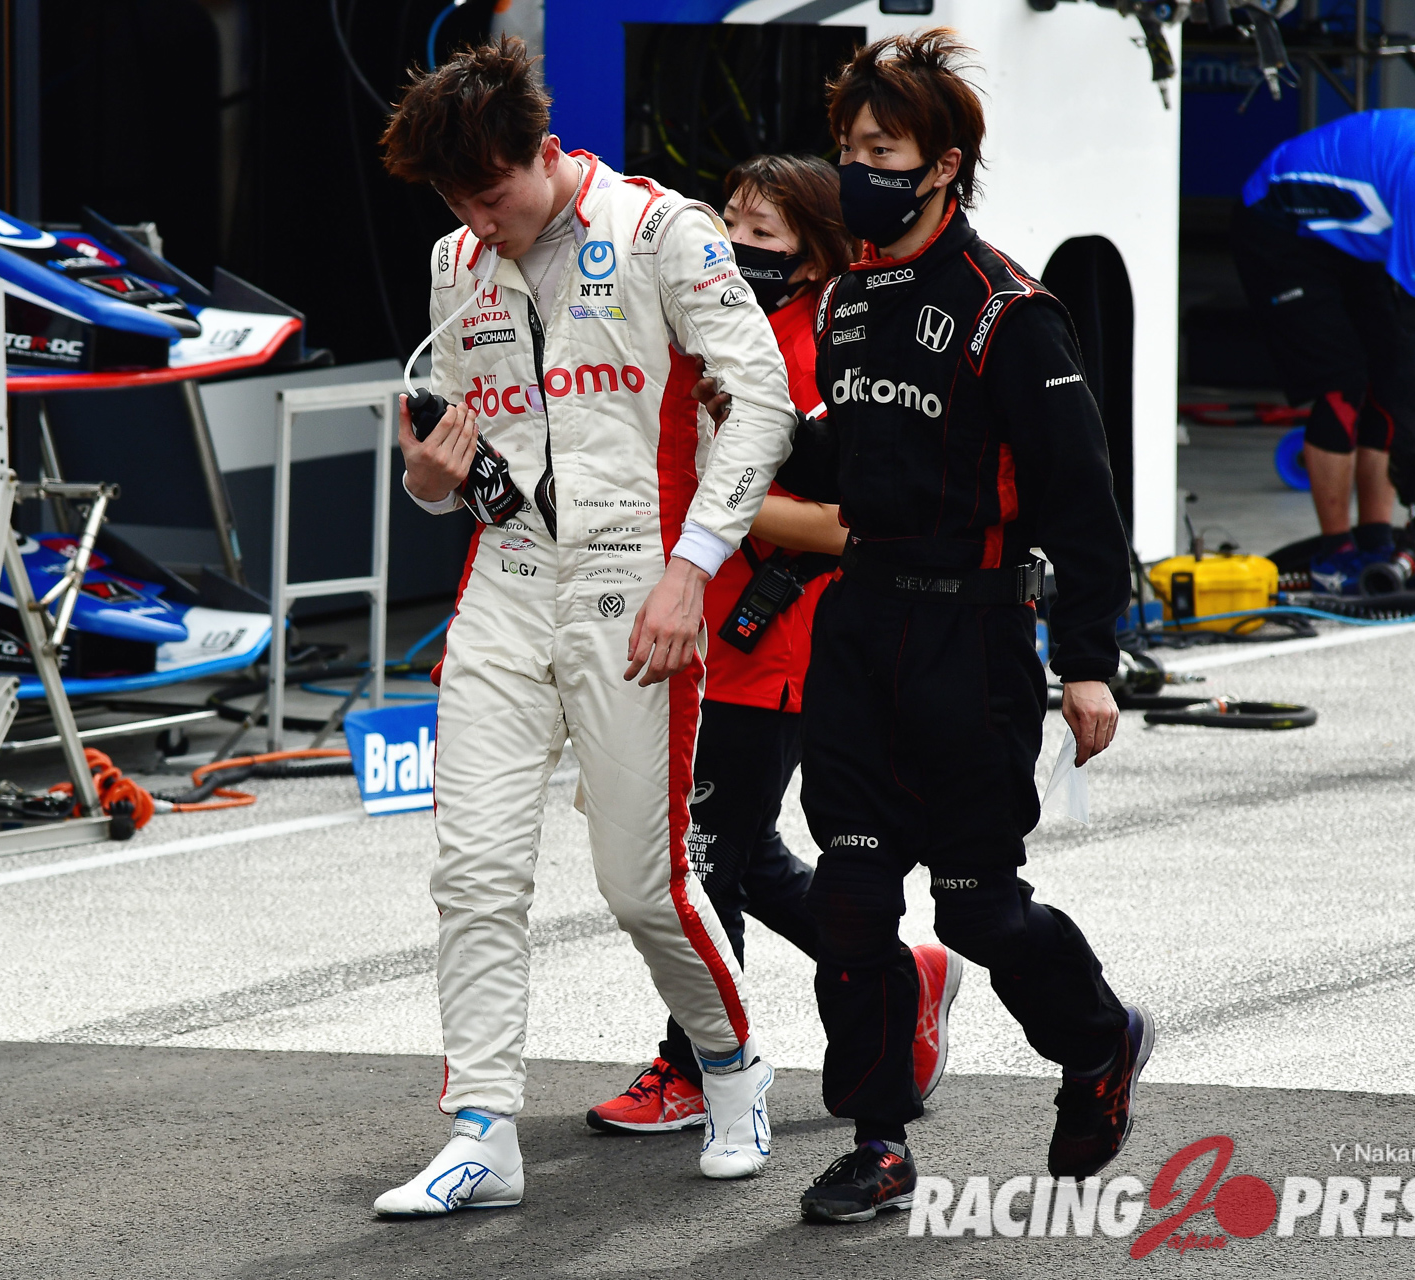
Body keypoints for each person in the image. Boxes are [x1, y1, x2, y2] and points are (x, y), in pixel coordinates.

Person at [371, 38, 798, 1217]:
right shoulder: (457, 262)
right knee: (472, 870)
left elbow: (763, 400)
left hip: (636, 583)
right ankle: (481, 1128)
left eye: (491, 193)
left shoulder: (664, 231)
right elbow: (458, 459)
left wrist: (692, 569)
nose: (478, 220)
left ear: (543, 151)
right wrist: (426, 480)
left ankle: (732, 1066)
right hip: (507, 581)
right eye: (456, 201)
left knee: (642, 882)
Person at [764, 31, 1150, 1225]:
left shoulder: (1007, 310)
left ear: (943, 166)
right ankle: (877, 1138)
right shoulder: (848, 297)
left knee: (976, 906)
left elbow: (1084, 500)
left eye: (882, 152)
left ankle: (1098, 1039)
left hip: (975, 640)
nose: (858, 171)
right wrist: (766, 437)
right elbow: (854, 455)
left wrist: (1086, 661)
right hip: (859, 625)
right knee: (849, 895)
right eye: (850, 148)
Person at [584, 154, 963, 1137]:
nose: (740, 244)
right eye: (732, 223)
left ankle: (699, 1066)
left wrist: (731, 494)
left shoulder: (825, 349)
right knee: (745, 857)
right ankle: (904, 975)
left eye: (765, 232)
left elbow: (851, 523)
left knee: (701, 860)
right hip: (689, 633)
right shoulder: (704, 324)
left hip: (772, 650)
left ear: (816, 252)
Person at [1234, 109, 1415, 594]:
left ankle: (1378, 544)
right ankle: (1333, 558)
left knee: (1387, 376)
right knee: (1344, 383)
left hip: (1351, 241)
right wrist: (1410, 451)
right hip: (1279, 223)